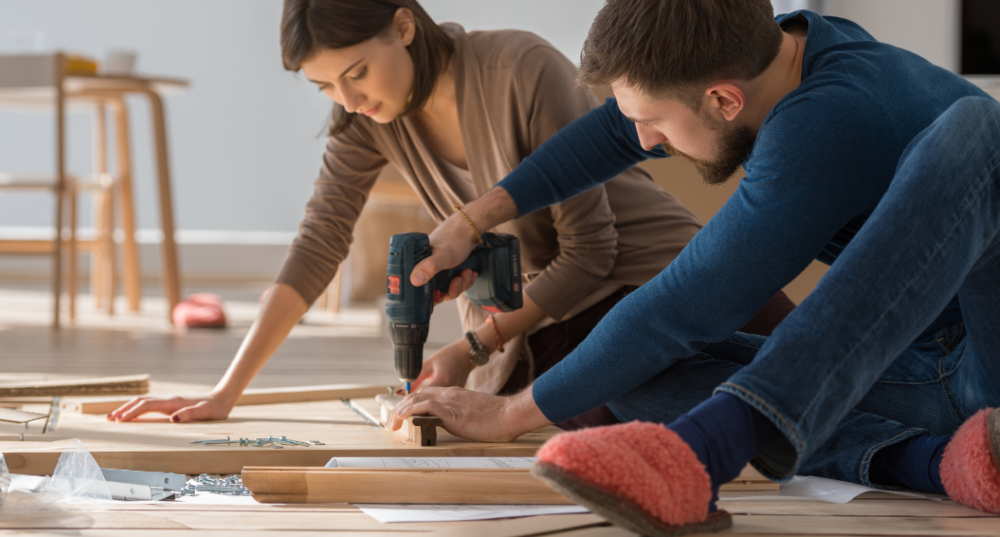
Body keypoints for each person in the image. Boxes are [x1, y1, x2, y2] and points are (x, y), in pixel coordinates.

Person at [389, 0, 1000, 533]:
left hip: (982, 358)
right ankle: (948, 461)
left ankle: (711, 447)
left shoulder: (826, 119)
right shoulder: (780, 50)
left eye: (652, 123)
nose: (644, 139)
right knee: (626, 375)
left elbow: (686, 306)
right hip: (933, 370)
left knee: (981, 130)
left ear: (723, 99)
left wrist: (510, 414)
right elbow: (608, 134)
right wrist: (470, 223)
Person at [107, 0, 794, 427]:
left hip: (663, 278)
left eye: (356, 74)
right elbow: (319, 242)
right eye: (325, 87)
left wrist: (471, 347)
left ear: (404, 25)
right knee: (592, 413)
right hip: (552, 320)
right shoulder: (368, 122)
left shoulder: (519, 68)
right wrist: (226, 391)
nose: (347, 99)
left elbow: (594, 252)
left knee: (817, 375)